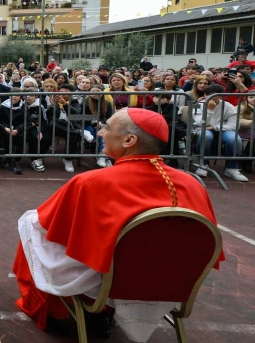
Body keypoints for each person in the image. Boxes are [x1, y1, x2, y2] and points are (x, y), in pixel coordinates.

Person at [13, 108, 224, 342]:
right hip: (170, 283)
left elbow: (47, 224)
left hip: (109, 285)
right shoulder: (192, 184)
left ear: (129, 140)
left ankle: (66, 312)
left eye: (107, 128)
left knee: (30, 224)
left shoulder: (90, 181)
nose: (101, 133)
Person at [189, 84, 247, 182]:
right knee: (205, 135)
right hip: (205, 129)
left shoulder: (228, 106)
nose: (210, 97)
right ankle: (203, 164)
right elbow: (200, 123)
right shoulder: (198, 104)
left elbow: (234, 125)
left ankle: (231, 168)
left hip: (222, 129)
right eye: (208, 94)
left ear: (221, 96)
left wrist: (214, 127)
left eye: (214, 95)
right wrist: (210, 110)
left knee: (235, 139)